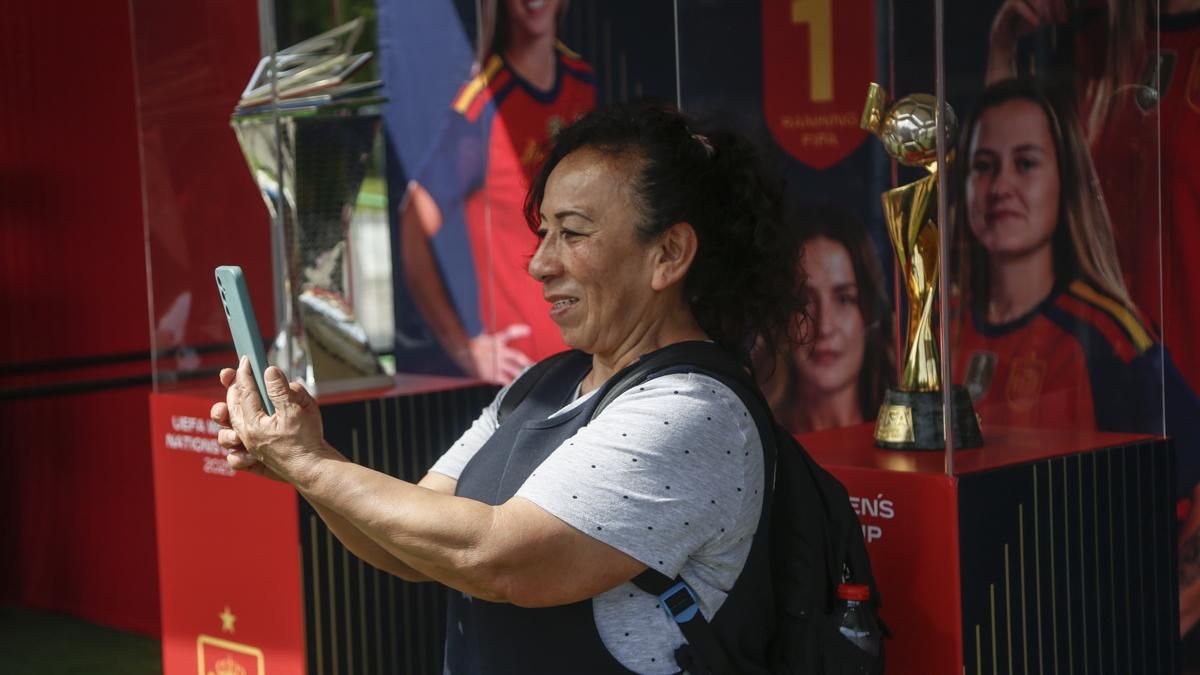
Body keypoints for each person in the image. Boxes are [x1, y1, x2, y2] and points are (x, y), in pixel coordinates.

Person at [212, 104, 807, 674]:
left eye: (572, 233)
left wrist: (309, 464)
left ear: (669, 253)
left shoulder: (693, 410)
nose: (539, 264)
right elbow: (410, 550)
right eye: (543, 231)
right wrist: (304, 462)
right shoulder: (541, 384)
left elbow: (497, 559)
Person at [950, 77, 1200, 485]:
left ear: (1065, 180)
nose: (1000, 187)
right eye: (983, 166)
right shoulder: (939, 327)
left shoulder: (1109, 337)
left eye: (1026, 163)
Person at [399, 0, 596, 384]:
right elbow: (413, 223)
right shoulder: (484, 100)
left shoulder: (581, 78)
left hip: (589, 354)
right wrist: (464, 347)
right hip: (524, 372)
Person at [758, 206, 895, 434]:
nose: (824, 327)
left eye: (844, 299)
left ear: (869, 315)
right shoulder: (757, 440)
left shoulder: (904, 439)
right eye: (804, 301)